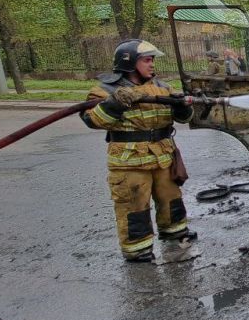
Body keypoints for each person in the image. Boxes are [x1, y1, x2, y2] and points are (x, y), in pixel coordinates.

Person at [81, 39, 196, 263]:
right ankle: (138, 248)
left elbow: (185, 118)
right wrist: (114, 103)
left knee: (171, 198)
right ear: (130, 62)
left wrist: (182, 107)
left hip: (163, 157)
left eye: (152, 59)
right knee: (134, 205)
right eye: (147, 60)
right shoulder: (105, 91)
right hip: (130, 161)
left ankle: (174, 232)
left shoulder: (162, 88)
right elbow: (92, 120)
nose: (152, 64)